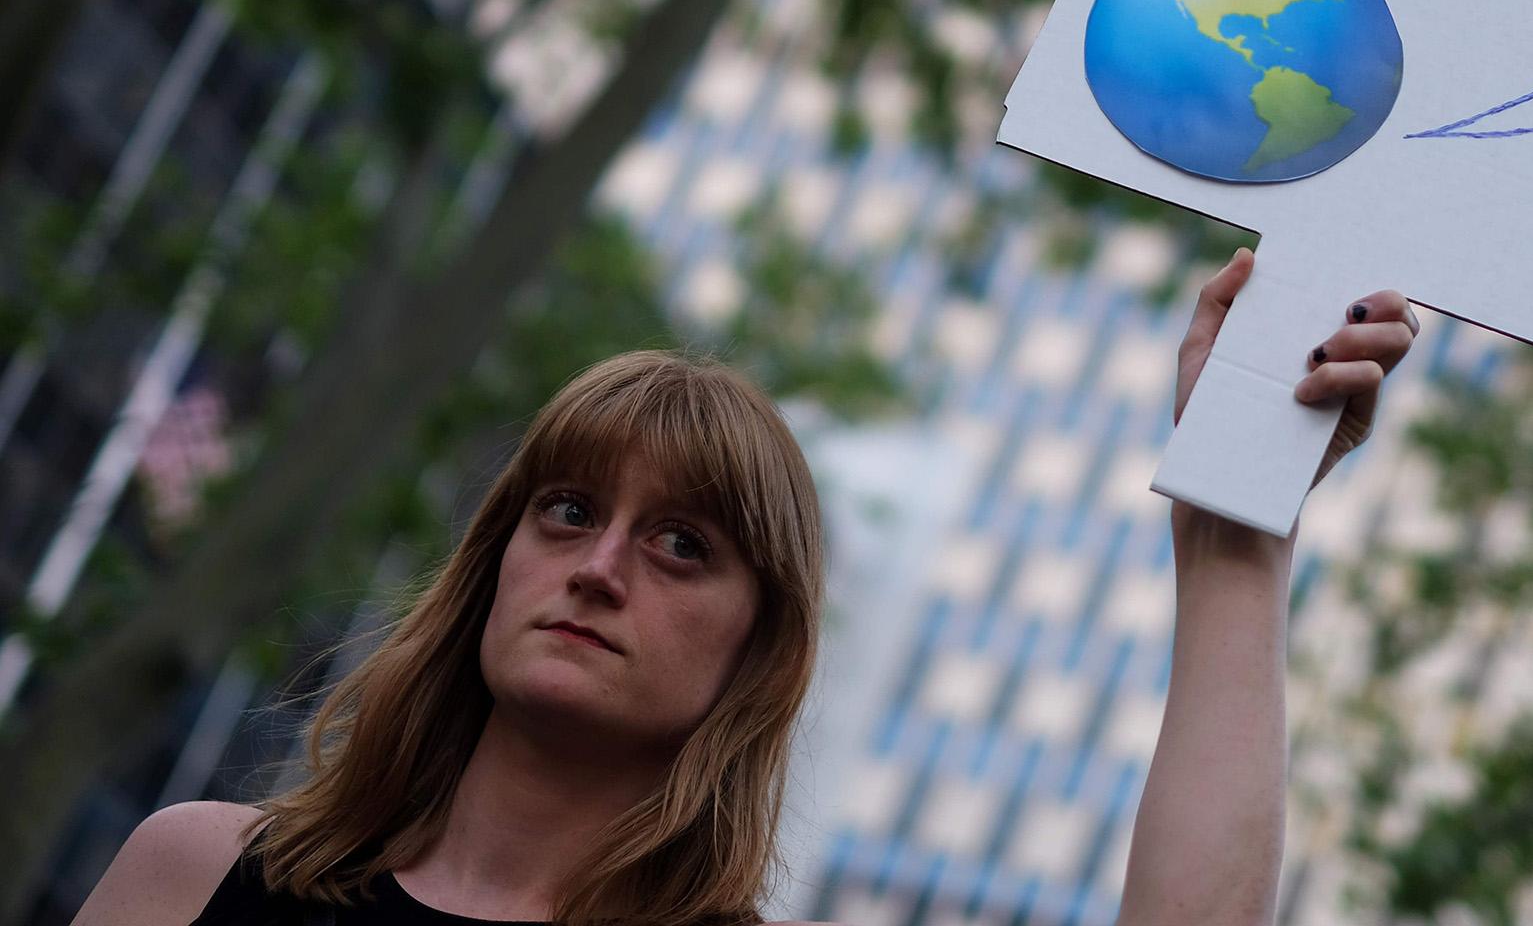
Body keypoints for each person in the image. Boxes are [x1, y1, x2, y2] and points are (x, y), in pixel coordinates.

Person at [72, 248, 1415, 926]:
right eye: (570, 511)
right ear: (494, 563)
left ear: (757, 652)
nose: (599, 567)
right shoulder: (193, 876)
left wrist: (1238, 534)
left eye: (682, 548)